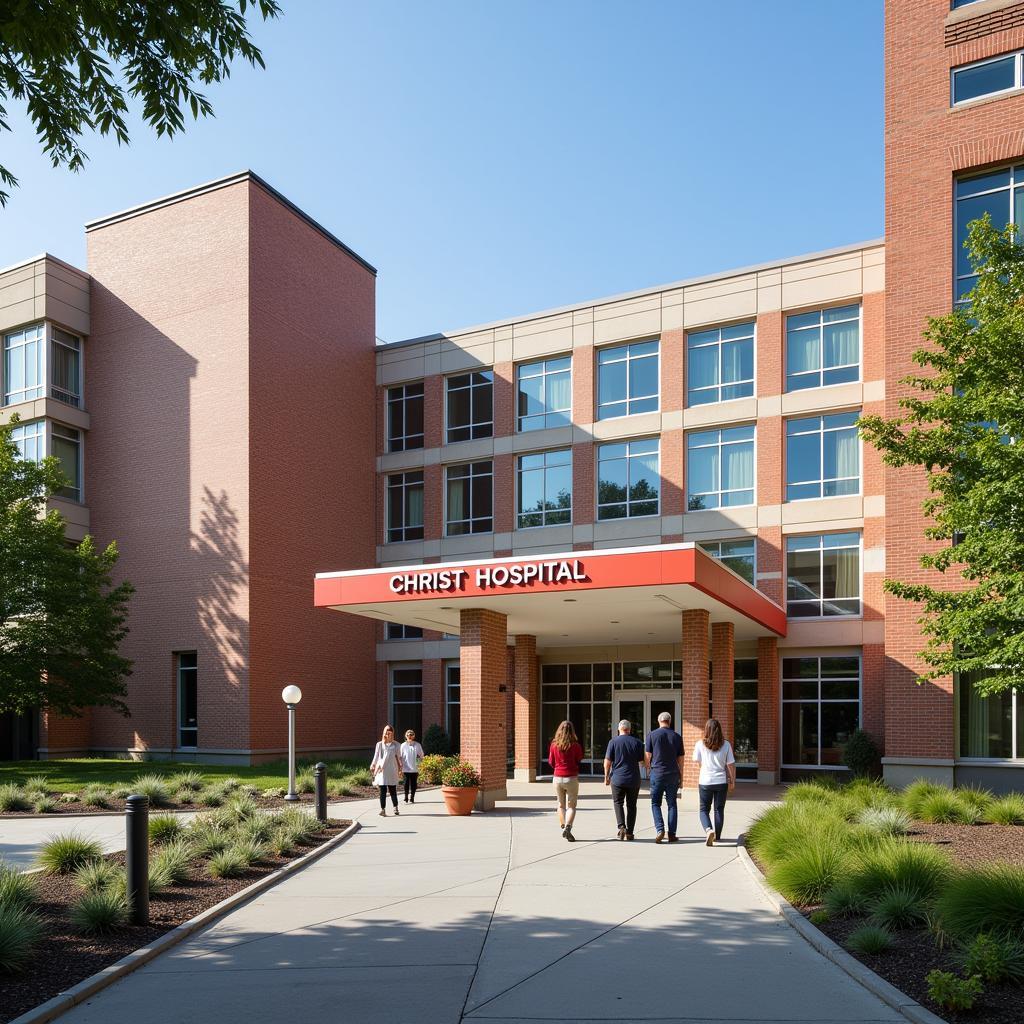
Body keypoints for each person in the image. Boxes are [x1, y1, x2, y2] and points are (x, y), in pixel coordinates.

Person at [692, 717, 736, 846]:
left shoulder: (700, 744)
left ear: (706, 730)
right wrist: (732, 781)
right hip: (721, 781)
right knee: (719, 809)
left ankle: (708, 830)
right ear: (719, 730)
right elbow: (731, 765)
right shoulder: (726, 744)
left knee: (704, 809)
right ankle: (718, 836)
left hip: (705, 781)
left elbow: (698, 762)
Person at [645, 711, 684, 843]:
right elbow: (681, 760)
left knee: (655, 803)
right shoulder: (677, 737)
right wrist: (681, 777)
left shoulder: (651, 735)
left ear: (658, 720)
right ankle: (672, 834)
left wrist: (648, 770)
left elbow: (648, 756)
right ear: (670, 721)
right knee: (672, 804)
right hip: (673, 773)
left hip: (657, 773)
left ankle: (660, 829)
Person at [603, 719, 645, 841]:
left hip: (617, 779)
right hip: (633, 779)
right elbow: (642, 762)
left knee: (618, 803)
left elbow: (607, 762)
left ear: (619, 729)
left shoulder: (613, 742)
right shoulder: (637, 743)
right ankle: (630, 832)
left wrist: (606, 776)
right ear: (629, 729)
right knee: (632, 806)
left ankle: (621, 826)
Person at [549, 720, 584, 842]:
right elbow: (579, 759)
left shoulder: (554, 745)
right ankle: (568, 827)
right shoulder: (575, 745)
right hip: (571, 777)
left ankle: (563, 825)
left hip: (557, 777)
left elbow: (551, 762)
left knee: (560, 804)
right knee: (572, 806)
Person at [370, 724, 403, 817]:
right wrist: (373, 764)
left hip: (392, 769)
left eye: (390, 733)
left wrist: (401, 768)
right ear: (384, 733)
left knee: (392, 790)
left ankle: (395, 807)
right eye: (386, 732)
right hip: (382, 770)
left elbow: (400, 757)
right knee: (383, 790)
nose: (388, 734)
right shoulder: (379, 744)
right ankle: (383, 809)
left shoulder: (396, 745)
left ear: (392, 734)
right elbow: (376, 756)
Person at [400, 729, 425, 803]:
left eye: (411, 735)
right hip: (406, 768)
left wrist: (418, 763)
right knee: (406, 783)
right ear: (406, 736)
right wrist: (400, 766)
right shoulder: (403, 745)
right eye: (408, 735)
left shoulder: (417, 745)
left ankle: (412, 797)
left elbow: (421, 755)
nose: (409, 736)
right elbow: (400, 756)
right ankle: (406, 797)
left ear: (413, 736)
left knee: (414, 784)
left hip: (415, 768)